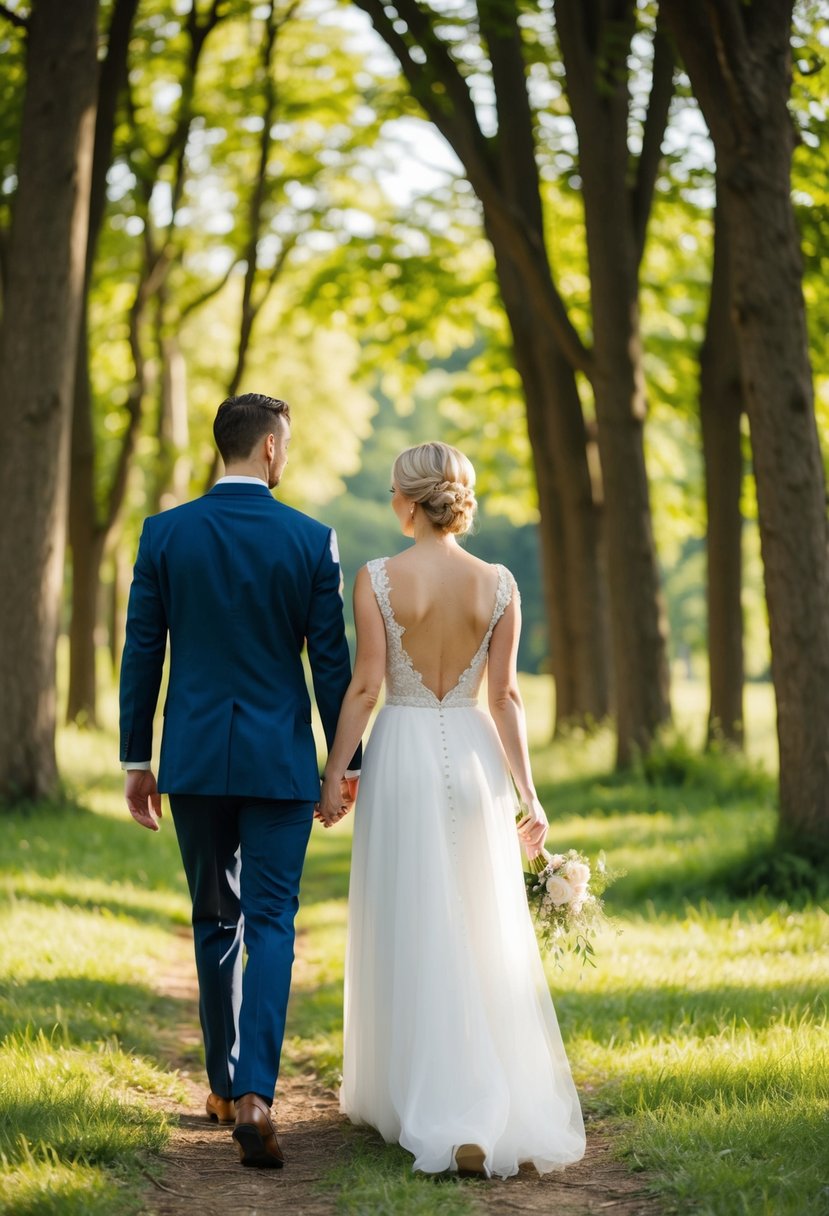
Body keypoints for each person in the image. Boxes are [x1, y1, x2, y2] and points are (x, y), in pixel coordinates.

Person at [317, 441, 585, 1180]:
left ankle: (423, 1101)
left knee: (409, 917)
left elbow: (366, 687)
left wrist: (337, 769)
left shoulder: (377, 578)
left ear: (406, 501)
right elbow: (504, 698)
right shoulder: (496, 583)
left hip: (400, 753)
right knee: (477, 922)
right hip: (473, 760)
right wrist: (528, 793)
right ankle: (482, 1101)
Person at [119, 392, 359, 1169]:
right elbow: (331, 664)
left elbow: (141, 652)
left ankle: (221, 1085)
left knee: (213, 919)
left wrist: (137, 760)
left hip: (191, 760)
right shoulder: (308, 540)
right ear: (268, 450)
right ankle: (258, 1093)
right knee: (273, 924)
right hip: (279, 763)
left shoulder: (164, 534)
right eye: (283, 446)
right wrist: (342, 765)